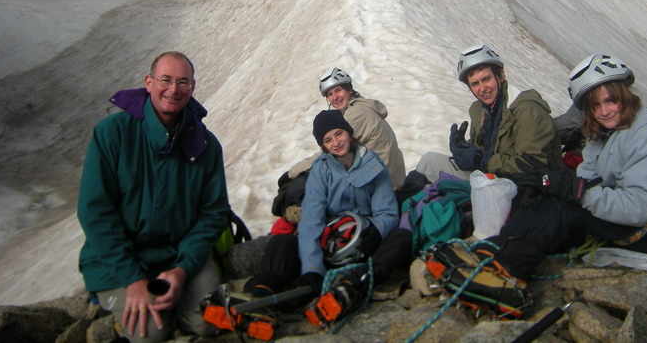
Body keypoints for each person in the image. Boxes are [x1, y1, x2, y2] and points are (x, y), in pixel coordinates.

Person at [445, 53, 647, 315]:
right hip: (633, 217)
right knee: (541, 196)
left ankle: (507, 277)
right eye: (594, 106)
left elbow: (638, 207)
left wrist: (575, 191)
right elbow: (587, 177)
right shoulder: (603, 132)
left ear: (625, 95)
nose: (604, 111)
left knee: (558, 207)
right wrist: (564, 187)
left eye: (610, 100)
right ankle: (492, 255)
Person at [77, 51, 229, 342]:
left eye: (183, 82)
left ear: (192, 88)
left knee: (208, 323)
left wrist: (182, 269)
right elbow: (95, 212)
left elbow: (213, 213)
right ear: (148, 83)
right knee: (151, 333)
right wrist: (131, 279)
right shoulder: (112, 134)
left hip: (179, 254)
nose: (173, 90)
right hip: (121, 260)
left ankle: (176, 301)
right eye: (165, 80)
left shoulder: (206, 146)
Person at [245, 110, 412, 319]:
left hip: (364, 241)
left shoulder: (373, 163)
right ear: (323, 146)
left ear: (349, 134)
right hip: (330, 243)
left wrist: (378, 231)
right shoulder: (320, 171)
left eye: (339, 134)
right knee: (282, 243)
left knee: (401, 238)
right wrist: (312, 268)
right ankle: (264, 290)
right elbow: (311, 221)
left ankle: (357, 282)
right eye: (328, 139)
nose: (336, 142)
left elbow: (386, 212)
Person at [271, 67, 406, 233]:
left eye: (338, 90)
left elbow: (328, 155)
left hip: (384, 189)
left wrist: (292, 173)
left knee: (304, 184)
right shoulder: (359, 107)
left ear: (349, 89)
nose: (334, 97)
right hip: (384, 178)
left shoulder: (356, 114)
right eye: (329, 94)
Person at [416, 44, 562, 182]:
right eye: (475, 84)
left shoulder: (527, 111)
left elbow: (533, 166)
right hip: (490, 178)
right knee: (429, 162)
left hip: (521, 188)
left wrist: (481, 159)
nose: (482, 88)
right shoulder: (479, 109)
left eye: (486, 79)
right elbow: (482, 149)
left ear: (501, 76)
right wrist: (462, 148)